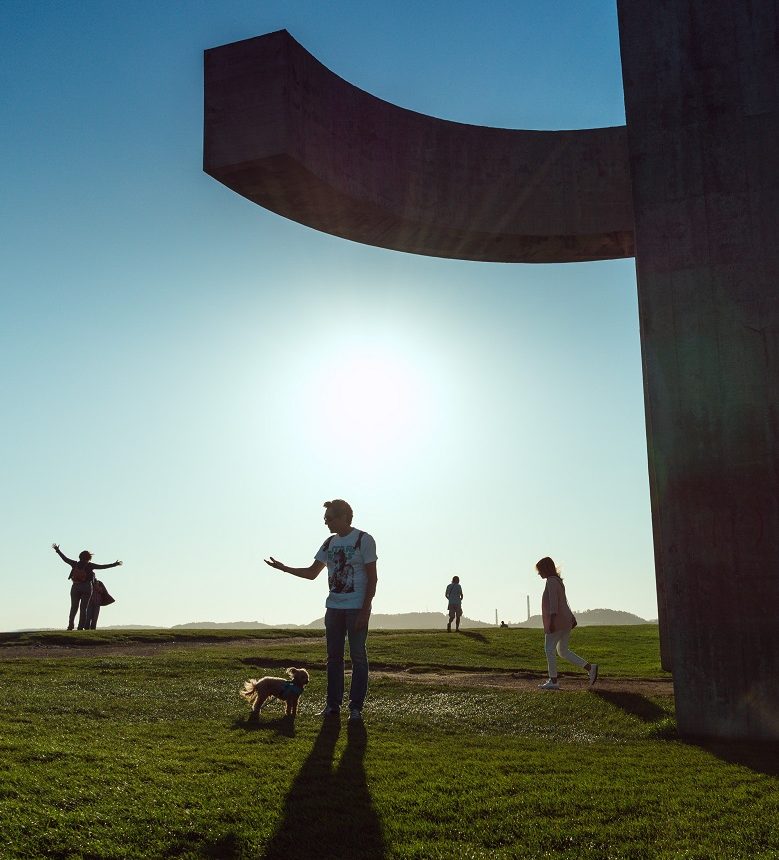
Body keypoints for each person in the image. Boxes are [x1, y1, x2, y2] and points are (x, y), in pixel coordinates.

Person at [264, 499, 378, 721]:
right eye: (325, 519)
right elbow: (311, 573)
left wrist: (365, 611)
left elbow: (372, 578)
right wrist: (284, 568)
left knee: (358, 658)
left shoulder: (364, 539)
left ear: (344, 517)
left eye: (329, 518)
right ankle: (332, 706)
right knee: (334, 659)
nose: (326, 522)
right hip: (333, 609)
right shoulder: (329, 543)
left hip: (356, 608)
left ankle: (355, 708)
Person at [535, 556, 598, 690]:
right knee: (562, 651)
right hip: (565, 621)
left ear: (545, 569)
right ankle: (590, 668)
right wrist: (572, 617)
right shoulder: (558, 581)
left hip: (557, 621)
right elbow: (564, 601)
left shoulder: (551, 582)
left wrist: (551, 622)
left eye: (540, 570)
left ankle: (553, 681)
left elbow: (554, 603)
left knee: (549, 650)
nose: (538, 573)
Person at [52, 544, 123, 630]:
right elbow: (102, 566)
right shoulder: (90, 565)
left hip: (75, 586)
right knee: (84, 608)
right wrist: (115, 564)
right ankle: (80, 627)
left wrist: (58, 550)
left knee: (74, 607)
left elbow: (65, 559)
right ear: (89, 558)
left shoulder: (75, 564)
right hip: (87, 587)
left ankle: (70, 625)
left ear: (80, 557)